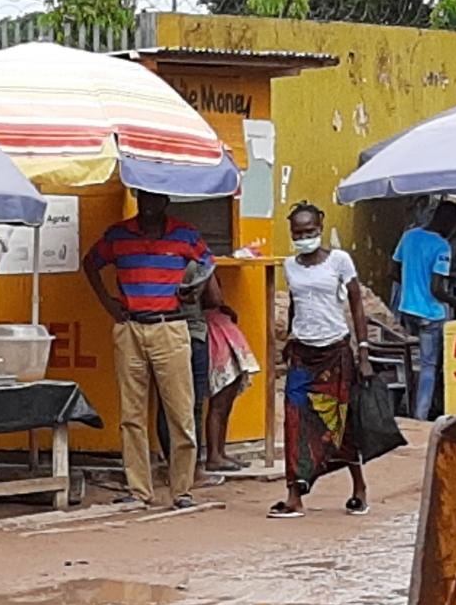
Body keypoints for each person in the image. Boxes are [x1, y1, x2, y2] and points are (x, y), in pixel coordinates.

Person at [83, 190, 213, 510]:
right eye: (143, 199)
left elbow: (208, 262)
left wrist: (194, 288)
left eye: (155, 200)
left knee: (181, 414)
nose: (148, 206)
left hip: (171, 326)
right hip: (130, 327)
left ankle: (181, 490)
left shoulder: (184, 233)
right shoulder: (118, 234)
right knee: (132, 415)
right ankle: (139, 489)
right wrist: (107, 303)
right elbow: (90, 263)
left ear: (166, 202)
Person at [270, 202, 374, 519]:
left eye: (309, 231)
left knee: (340, 423)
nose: (304, 237)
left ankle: (359, 488)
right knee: (294, 419)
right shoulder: (290, 266)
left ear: (320, 227)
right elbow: (295, 303)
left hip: (336, 352)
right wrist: (289, 338)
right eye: (298, 233)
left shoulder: (340, 261)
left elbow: (356, 304)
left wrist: (364, 351)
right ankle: (294, 495)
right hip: (303, 354)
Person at [391, 201, 456, 420]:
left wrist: (411, 285)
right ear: (448, 221)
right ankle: (421, 417)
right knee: (430, 366)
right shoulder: (442, 247)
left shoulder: (409, 236)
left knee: (413, 361)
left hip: (407, 309)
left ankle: (407, 405)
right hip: (431, 314)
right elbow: (437, 288)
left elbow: (393, 270)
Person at [201, 274, 261, 473]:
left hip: (219, 326)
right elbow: (214, 298)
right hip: (214, 330)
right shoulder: (201, 268)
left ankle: (220, 451)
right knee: (219, 401)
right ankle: (214, 455)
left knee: (226, 399)